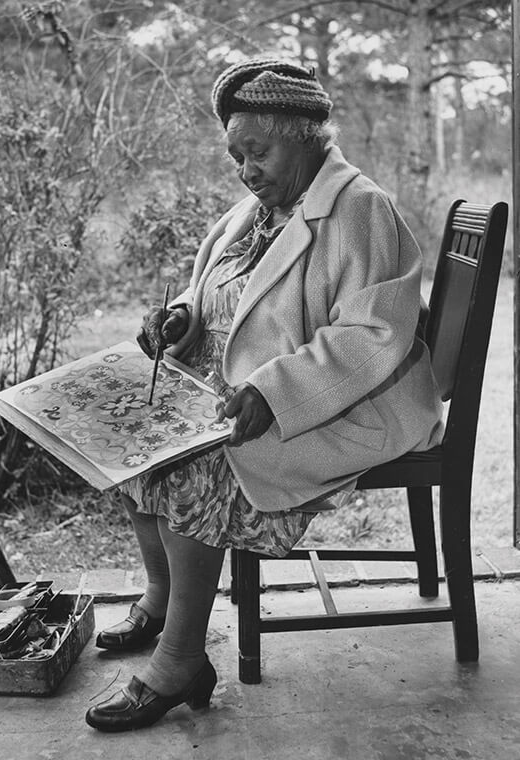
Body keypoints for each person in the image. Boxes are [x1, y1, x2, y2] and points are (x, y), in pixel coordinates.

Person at [85, 57, 444, 732]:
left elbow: (374, 335)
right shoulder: (256, 209)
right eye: (236, 156)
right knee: (134, 434)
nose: (247, 169)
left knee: (198, 465)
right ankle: (162, 600)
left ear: (307, 135)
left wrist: (274, 393)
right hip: (238, 388)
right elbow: (220, 290)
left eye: (259, 152)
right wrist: (184, 317)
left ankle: (179, 660)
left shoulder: (360, 209)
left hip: (339, 402)